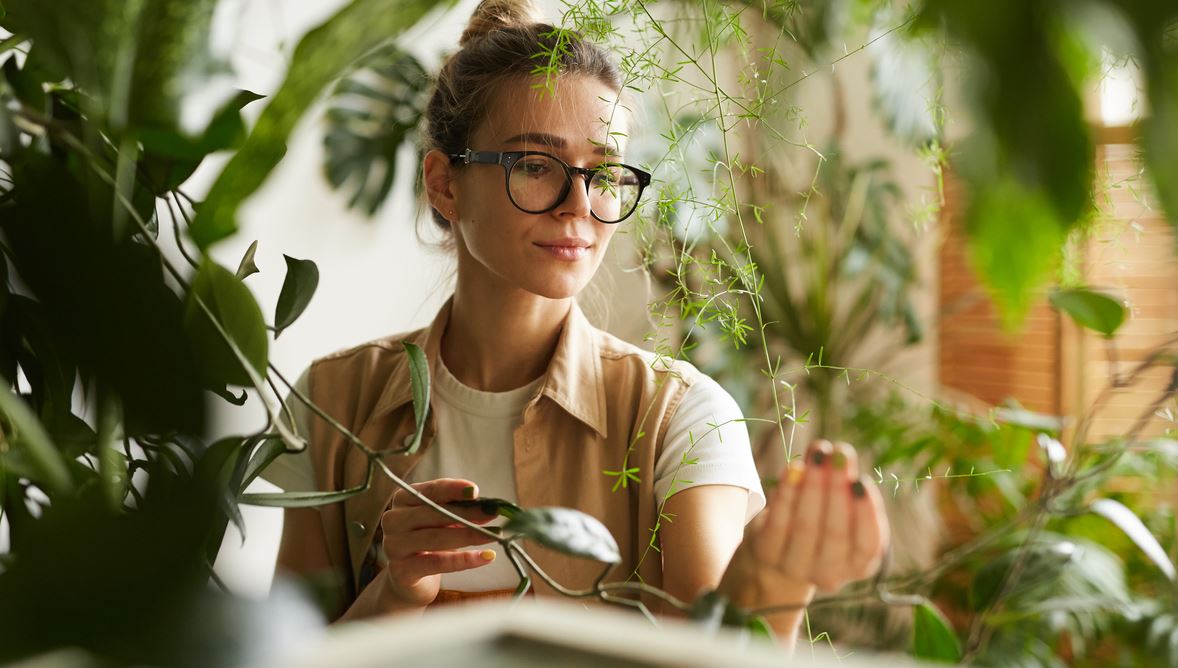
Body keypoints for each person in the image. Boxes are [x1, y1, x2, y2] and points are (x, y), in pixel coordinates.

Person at [261, 0, 888, 651]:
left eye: (605, 172)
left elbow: (708, 660)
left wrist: (773, 575)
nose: (579, 206)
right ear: (444, 184)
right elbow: (279, 656)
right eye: (535, 166)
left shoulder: (682, 417)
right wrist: (394, 593)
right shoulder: (334, 402)